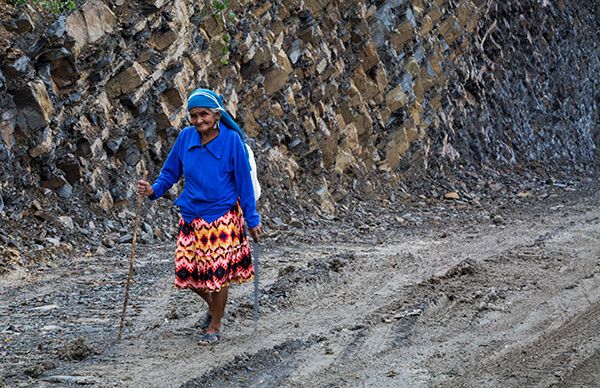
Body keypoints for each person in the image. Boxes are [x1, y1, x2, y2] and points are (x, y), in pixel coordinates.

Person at [137, 88, 261, 345]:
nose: (198, 120)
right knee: (187, 273)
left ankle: (215, 325)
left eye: (203, 114)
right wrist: (152, 190)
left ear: (217, 114)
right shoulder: (185, 138)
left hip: (222, 217)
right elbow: (169, 173)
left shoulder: (231, 142)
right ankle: (214, 307)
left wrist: (252, 219)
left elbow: (244, 184)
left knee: (217, 276)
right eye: (193, 115)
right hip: (191, 216)